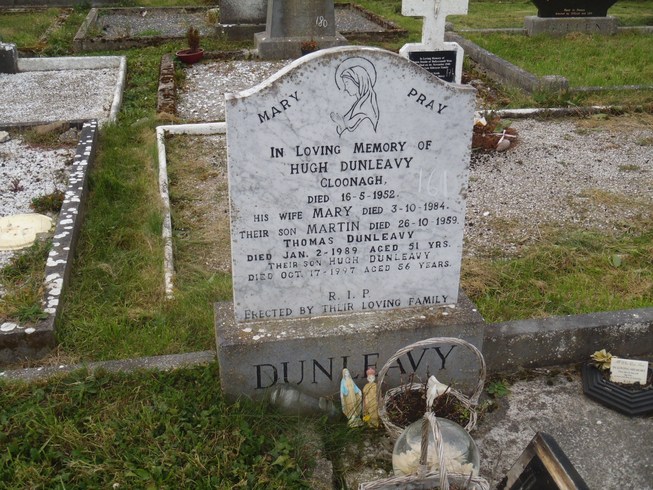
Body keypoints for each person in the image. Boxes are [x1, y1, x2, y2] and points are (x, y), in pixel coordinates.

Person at [330, 59, 379, 135]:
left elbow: (363, 136)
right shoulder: (357, 105)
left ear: (358, 82)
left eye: (347, 83)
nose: (346, 88)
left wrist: (341, 124)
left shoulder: (366, 107)